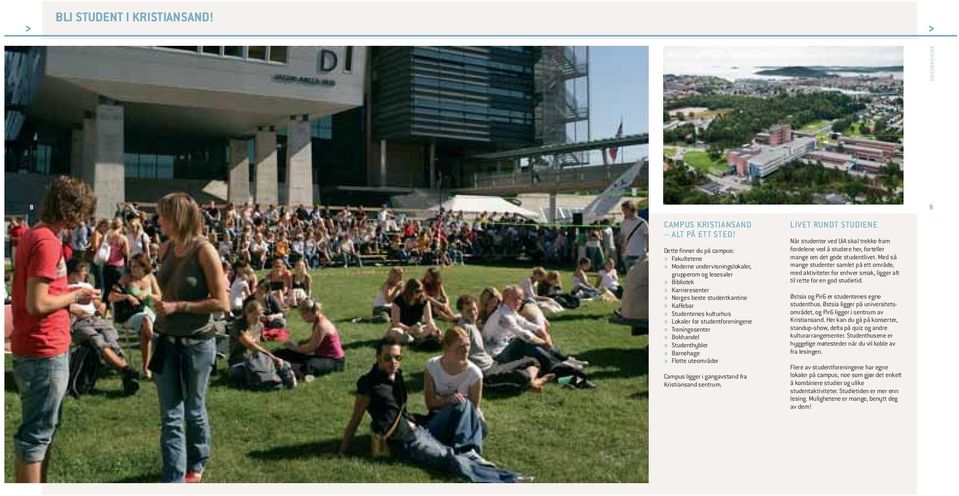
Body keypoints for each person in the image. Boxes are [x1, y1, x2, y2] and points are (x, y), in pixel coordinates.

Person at [339, 339, 530, 483]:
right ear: (378, 357)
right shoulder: (368, 384)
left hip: (420, 428)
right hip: (406, 442)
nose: (394, 361)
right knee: (451, 460)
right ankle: (510, 480)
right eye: (388, 357)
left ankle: (471, 452)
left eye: (398, 357)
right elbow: (355, 419)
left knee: (463, 405)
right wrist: (342, 451)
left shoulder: (396, 374)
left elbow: (399, 409)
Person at [11, 176, 98, 483]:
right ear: (71, 210)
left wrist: (72, 301)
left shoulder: (37, 234)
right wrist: (75, 295)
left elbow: (37, 294)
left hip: (39, 346)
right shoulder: (47, 241)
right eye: (82, 213)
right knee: (35, 437)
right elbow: (36, 303)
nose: (82, 221)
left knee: (42, 433)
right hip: (43, 350)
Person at [152, 192, 230, 483]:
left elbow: (222, 303)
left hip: (197, 343)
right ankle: (172, 479)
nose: (158, 220)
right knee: (170, 415)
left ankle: (196, 462)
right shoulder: (166, 248)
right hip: (165, 340)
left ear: (177, 217)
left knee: (194, 409)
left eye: (162, 215)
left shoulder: (204, 250)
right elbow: (162, 292)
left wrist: (179, 306)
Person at [66, 259, 140, 395]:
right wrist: (73, 308)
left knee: (111, 339)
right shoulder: (63, 288)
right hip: (77, 323)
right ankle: (126, 371)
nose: (85, 274)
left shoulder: (86, 285)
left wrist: (100, 304)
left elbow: (98, 301)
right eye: (82, 272)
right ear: (71, 274)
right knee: (98, 340)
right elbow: (64, 306)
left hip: (94, 319)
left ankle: (127, 376)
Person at [457, 295, 551, 394]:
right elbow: (459, 356)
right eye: (468, 311)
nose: (473, 313)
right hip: (486, 371)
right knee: (521, 375)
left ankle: (531, 382)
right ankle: (535, 381)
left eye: (474, 309)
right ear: (461, 312)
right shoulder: (463, 329)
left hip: (493, 364)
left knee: (532, 362)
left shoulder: (472, 325)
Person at [109, 253, 162, 379]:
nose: (132, 269)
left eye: (135, 266)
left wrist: (148, 295)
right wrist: (127, 296)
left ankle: (146, 369)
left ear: (144, 267)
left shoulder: (150, 278)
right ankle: (159, 344)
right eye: (131, 266)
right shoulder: (125, 278)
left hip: (149, 313)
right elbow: (111, 296)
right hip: (131, 314)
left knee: (145, 327)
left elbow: (160, 297)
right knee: (145, 319)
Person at [226, 300, 295, 389]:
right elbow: (251, 345)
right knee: (236, 373)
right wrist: (272, 358)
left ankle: (284, 379)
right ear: (247, 313)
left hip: (257, 360)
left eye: (260, 315)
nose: (258, 318)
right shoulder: (238, 326)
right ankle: (273, 378)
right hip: (239, 362)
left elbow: (258, 345)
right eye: (255, 315)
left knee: (285, 364)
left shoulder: (259, 325)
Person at [272, 298, 345, 381]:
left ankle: (296, 371)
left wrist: (292, 347)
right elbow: (313, 339)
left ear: (311, 312)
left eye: (303, 315)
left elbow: (310, 348)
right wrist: (300, 343)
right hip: (320, 356)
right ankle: (285, 364)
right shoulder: (318, 321)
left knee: (308, 365)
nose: (303, 318)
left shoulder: (322, 325)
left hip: (334, 360)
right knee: (285, 353)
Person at [388, 278, 441, 348]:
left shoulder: (424, 301)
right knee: (394, 332)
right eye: (417, 291)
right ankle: (416, 340)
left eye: (421, 291)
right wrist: (409, 329)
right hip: (403, 328)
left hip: (418, 328)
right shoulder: (398, 301)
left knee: (431, 329)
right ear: (409, 291)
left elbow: (429, 319)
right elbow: (396, 322)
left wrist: (436, 330)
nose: (420, 293)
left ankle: (414, 340)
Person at [102, 217, 129, 297]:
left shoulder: (107, 236)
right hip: (118, 266)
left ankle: (106, 306)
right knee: (120, 288)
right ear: (121, 226)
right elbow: (126, 253)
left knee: (107, 289)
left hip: (107, 265)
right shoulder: (123, 238)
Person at [618, 200, 648, 272]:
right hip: (628, 254)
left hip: (640, 254)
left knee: (639, 276)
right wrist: (623, 252)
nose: (623, 212)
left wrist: (648, 251)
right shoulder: (623, 223)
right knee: (630, 276)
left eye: (625, 210)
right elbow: (623, 238)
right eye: (623, 210)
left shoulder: (642, 222)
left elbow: (648, 237)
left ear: (631, 209)